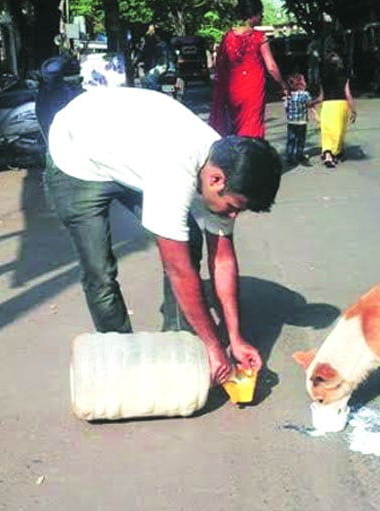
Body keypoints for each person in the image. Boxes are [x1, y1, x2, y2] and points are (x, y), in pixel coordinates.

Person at [44, 87, 283, 385]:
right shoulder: (175, 168)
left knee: (190, 239)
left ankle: (180, 341)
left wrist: (234, 338)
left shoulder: (224, 162)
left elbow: (222, 260)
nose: (233, 216)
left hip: (125, 145)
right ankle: (122, 357)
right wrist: (214, 345)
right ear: (215, 179)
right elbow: (178, 269)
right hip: (76, 159)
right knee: (99, 271)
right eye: (234, 207)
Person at [209, 0, 288, 138]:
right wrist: (283, 84)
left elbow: (220, 65)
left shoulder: (228, 37)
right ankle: (251, 153)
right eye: (260, 14)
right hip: (253, 89)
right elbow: (271, 67)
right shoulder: (259, 37)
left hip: (232, 89)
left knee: (234, 126)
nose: (262, 17)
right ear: (253, 15)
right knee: (252, 125)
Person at [313, 52, 356, 169]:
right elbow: (348, 95)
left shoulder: (323, 78)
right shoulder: (344, 77)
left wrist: (312, 104)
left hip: (327, 105)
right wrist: (353, 110)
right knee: (338, 131)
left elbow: (321, 97)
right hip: (340, 105)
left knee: (327, 132)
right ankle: (335, 152)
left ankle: (328, 154)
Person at [284, 73, 314, 165]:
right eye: (304, 80)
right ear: (301, 83)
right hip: (302, 121)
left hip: (291, 121)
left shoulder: (289, 95)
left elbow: (286, 108)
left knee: (291, 139)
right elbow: (309, 104)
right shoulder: (305, 94)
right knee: (301, 139)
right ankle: (299, 155)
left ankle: (289, 156)